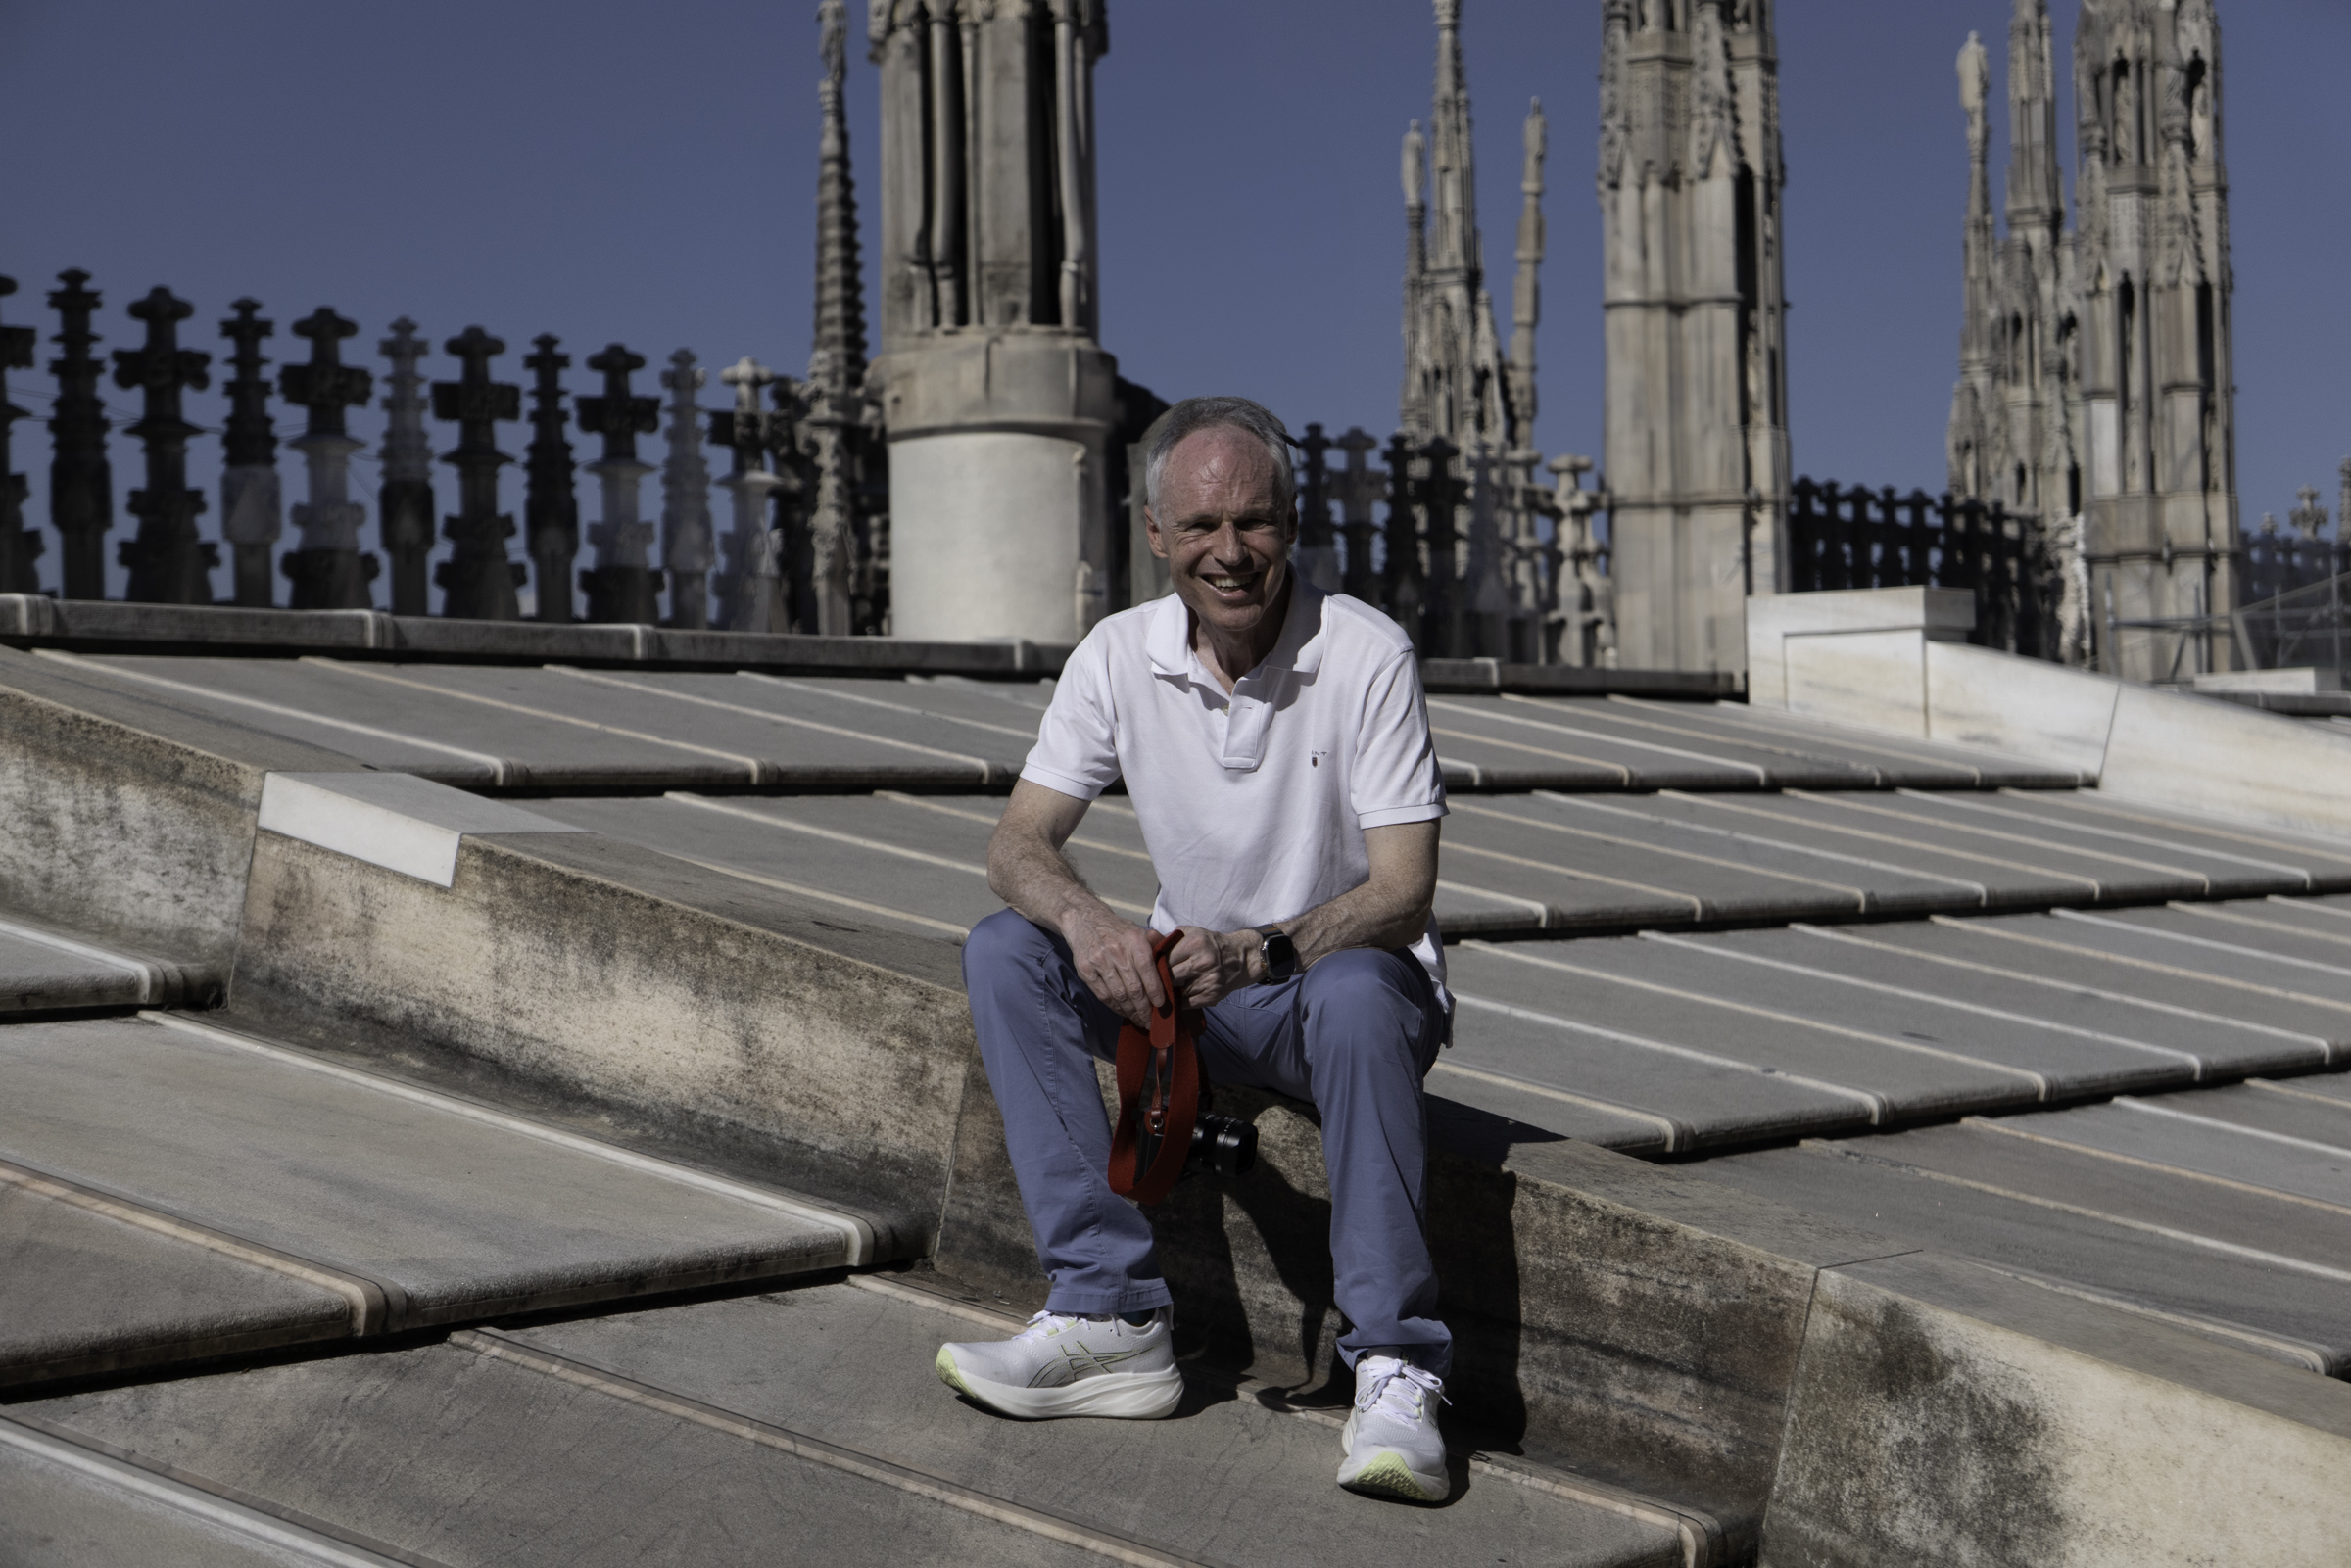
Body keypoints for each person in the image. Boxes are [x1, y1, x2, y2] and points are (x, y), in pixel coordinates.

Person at [936, 396, 1456, 1503]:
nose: (1231, 550)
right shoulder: (1119, 654)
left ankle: (1397, 1366)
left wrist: (1266, 949)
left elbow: (1405, 892)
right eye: (1203, 524)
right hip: (1199, 992)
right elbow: (1017, 842)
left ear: (1293, 524)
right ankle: (1110, 1315)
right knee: (1005, 951)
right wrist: (1090, 923)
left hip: (1326, 987)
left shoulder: (1364, 651)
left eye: (1256, 522)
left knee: (1364, 990)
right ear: (1157, 532)